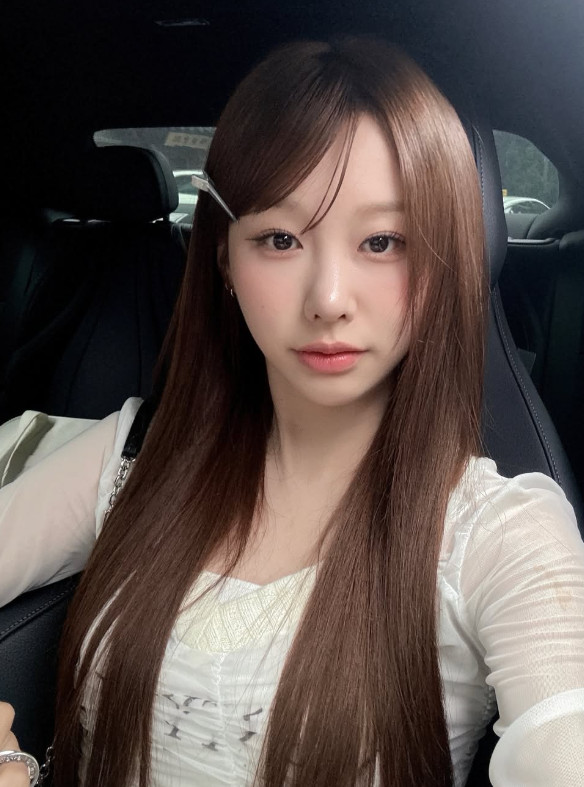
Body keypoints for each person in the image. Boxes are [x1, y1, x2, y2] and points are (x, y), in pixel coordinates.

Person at [0, 37, 583, 787]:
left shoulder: (500, 535)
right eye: (279, 239)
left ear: (444, 260)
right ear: (224, 259)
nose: (328, 298)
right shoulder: (132, 459)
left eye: (383, 241)